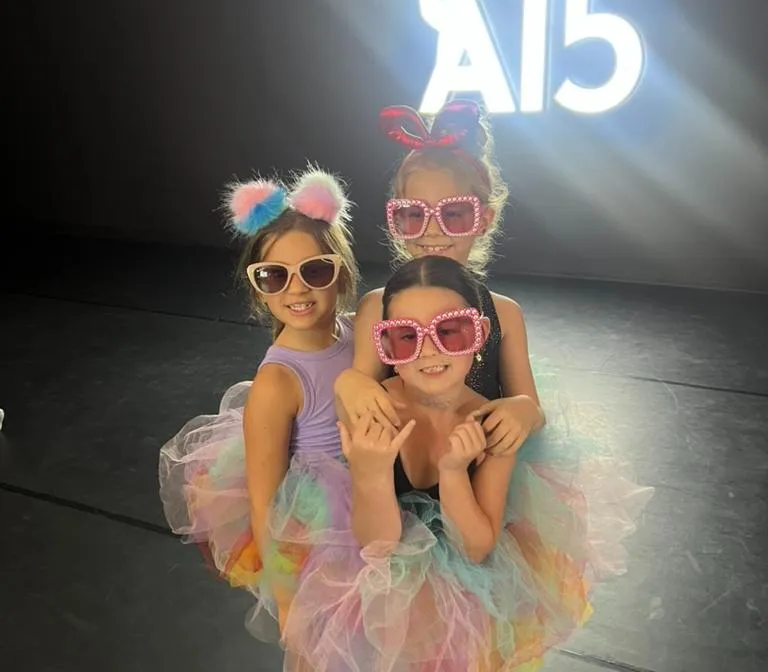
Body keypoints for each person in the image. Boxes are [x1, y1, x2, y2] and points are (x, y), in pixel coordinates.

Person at [273, 255, 654, 671]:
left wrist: (454, 473)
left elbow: (475, 548)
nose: (429, 350)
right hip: (375, 591)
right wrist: (372, 475)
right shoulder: (373, 414)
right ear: (385, 345)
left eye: (450, 331)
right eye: (406, 337)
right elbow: (376, 546)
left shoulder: (491, 423)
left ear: (480, 334)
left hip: (467, 595)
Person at [158, 165, 359, 632]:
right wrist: (285, 597)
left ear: (341, 273)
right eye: (274, 276)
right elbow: (265, 501)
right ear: (258, 289)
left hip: (375, 491)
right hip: (319, 529)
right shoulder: (278, 381)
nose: (297, 288)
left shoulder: (354, 332)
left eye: (315, 270)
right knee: (334, 635)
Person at [335, 99, 544, 457]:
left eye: (454, 214)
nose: (432, 230)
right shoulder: (376, 306)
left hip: (479, 465)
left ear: (484, 219)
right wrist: (349, 383)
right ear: (396, 220)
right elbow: (360, 390)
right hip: (401, 465)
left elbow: (531, 406)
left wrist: (525, 410)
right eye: (415, 215)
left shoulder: (504, 314)